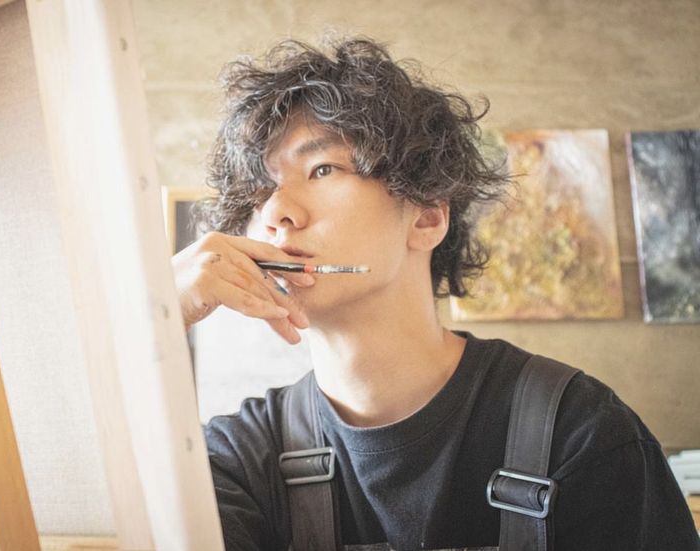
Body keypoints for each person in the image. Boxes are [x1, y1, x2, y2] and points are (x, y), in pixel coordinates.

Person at [171, 37, 699, 550]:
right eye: (261, 189)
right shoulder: (239, 460)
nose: (275, 213)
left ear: (427, 218)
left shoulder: (583, 433)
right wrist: (156, 319)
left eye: (322, 169)